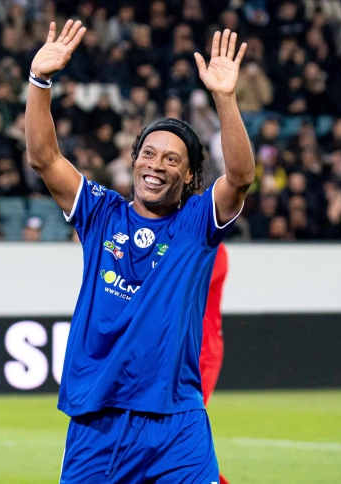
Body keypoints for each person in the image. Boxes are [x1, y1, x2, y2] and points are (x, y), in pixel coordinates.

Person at [26, 21, 254, 482]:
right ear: (133, 159)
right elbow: (44, 158)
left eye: (172, 159)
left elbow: (241, 177)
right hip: (98, 419)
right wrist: (39, 82)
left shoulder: (196, 224)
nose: (156, 165)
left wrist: (225, 100)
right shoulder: (101, 212)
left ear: (190, 178)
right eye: (148, 154)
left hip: (178, 423)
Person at [200, 242, 230, 484]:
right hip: (174, 348)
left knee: (185, 423)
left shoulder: (213, 247)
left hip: (201, 350)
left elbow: (187, 283)